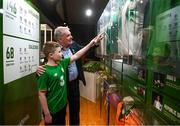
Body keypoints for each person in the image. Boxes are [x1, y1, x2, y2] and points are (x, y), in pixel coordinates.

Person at [37, 27, 104, 125]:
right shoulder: (53, 49)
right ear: (60, 39)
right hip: (61, 87)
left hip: (74, 84)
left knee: (74, 111)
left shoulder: (72, 47)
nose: (71, 37)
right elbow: (46, 67)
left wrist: (93, 43)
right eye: (68, 35)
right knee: (59, 114)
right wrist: (38, 69)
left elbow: (79, 53)